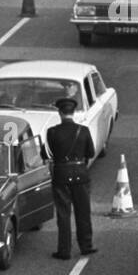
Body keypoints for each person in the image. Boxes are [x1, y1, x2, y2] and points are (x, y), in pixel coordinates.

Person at [46, 96, 96, 259]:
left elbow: (46, 154)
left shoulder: (52, 132)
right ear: (73, 112)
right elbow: (91, 153)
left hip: (61, 175)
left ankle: (64, 250)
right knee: (83, 212)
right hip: (81, 174)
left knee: (63, 214)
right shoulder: (83, 131)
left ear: (60, 113)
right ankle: (86, 245)